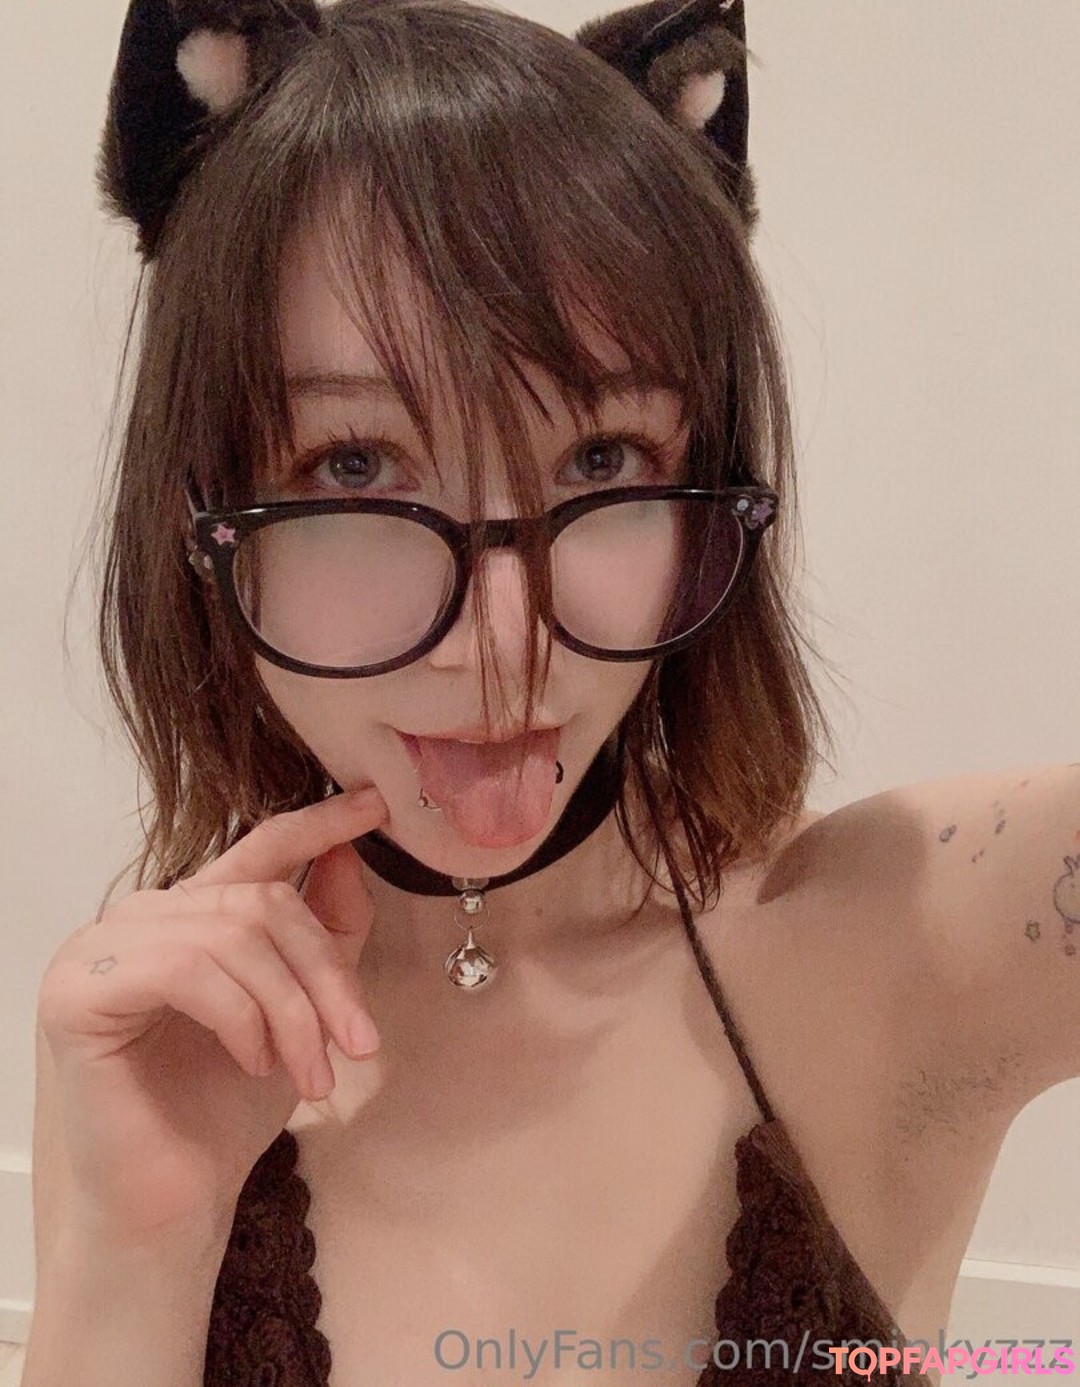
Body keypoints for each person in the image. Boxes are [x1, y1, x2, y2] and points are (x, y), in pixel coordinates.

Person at [23, 1, 1080, 1384]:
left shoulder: (913, 938)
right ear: (198, 508)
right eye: (354, 465)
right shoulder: (168, 1028)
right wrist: (136, 1249)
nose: (502, 641)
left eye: (601, 461)